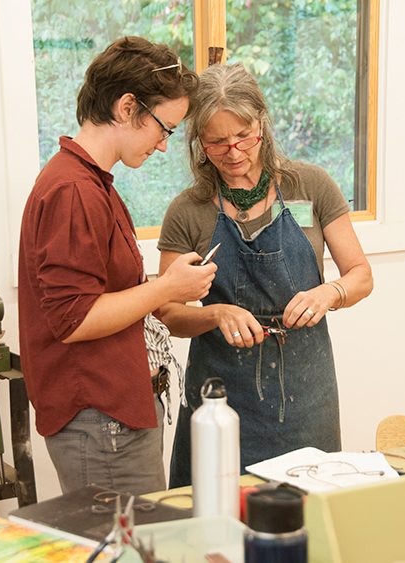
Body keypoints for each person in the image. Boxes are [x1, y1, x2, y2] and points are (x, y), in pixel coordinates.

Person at [157, 63, 373, 488]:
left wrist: (330, 293)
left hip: (306, 392)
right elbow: (167, 309)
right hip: (220, 395)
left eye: (244, 137)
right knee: (213, 517)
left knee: (308, 515)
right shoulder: (189, 210)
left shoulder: (310, 185)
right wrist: (216, 313)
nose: (234, 153)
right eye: (218, 143)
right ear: (198, 141)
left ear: (262, 124)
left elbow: (361, 275)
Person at [18, 36, 217, 496]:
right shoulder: (73, 190)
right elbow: (73, 318)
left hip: (116, 410)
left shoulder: (93, 184)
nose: (165, 146)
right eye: (164, 129)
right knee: (126, 547)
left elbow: (101, 292)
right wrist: (166, 288)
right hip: (100, 417)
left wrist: (167, 284)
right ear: (128, 107)